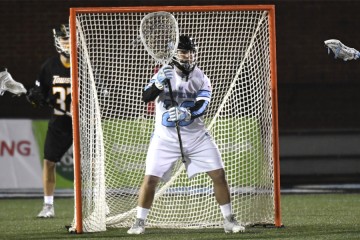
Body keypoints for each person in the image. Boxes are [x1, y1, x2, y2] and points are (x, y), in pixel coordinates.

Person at [127, 35, 245, 234]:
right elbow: (145, 97)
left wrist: (188, 112)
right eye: (183, 51)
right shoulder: (163, 73)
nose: (188, 56)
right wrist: (158, 84)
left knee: (219, 174)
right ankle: (139, 222)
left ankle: (229, 220)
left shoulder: (201, 77)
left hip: (196, 136)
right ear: (174, 54)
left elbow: (203, 105)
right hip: (165, 138)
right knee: (150, 179)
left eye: (190, 52)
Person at [26, 24, 71, 218]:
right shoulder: (49, 66)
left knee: (92, 164)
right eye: (64, 40)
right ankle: (48, 205)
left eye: (70, 39)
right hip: (59, 122)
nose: (68, 44)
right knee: (49, 162)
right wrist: (35, 97)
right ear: (58, 42)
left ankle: (98, 202)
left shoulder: (84, 64)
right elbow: (39, 95)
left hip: (83, 122)